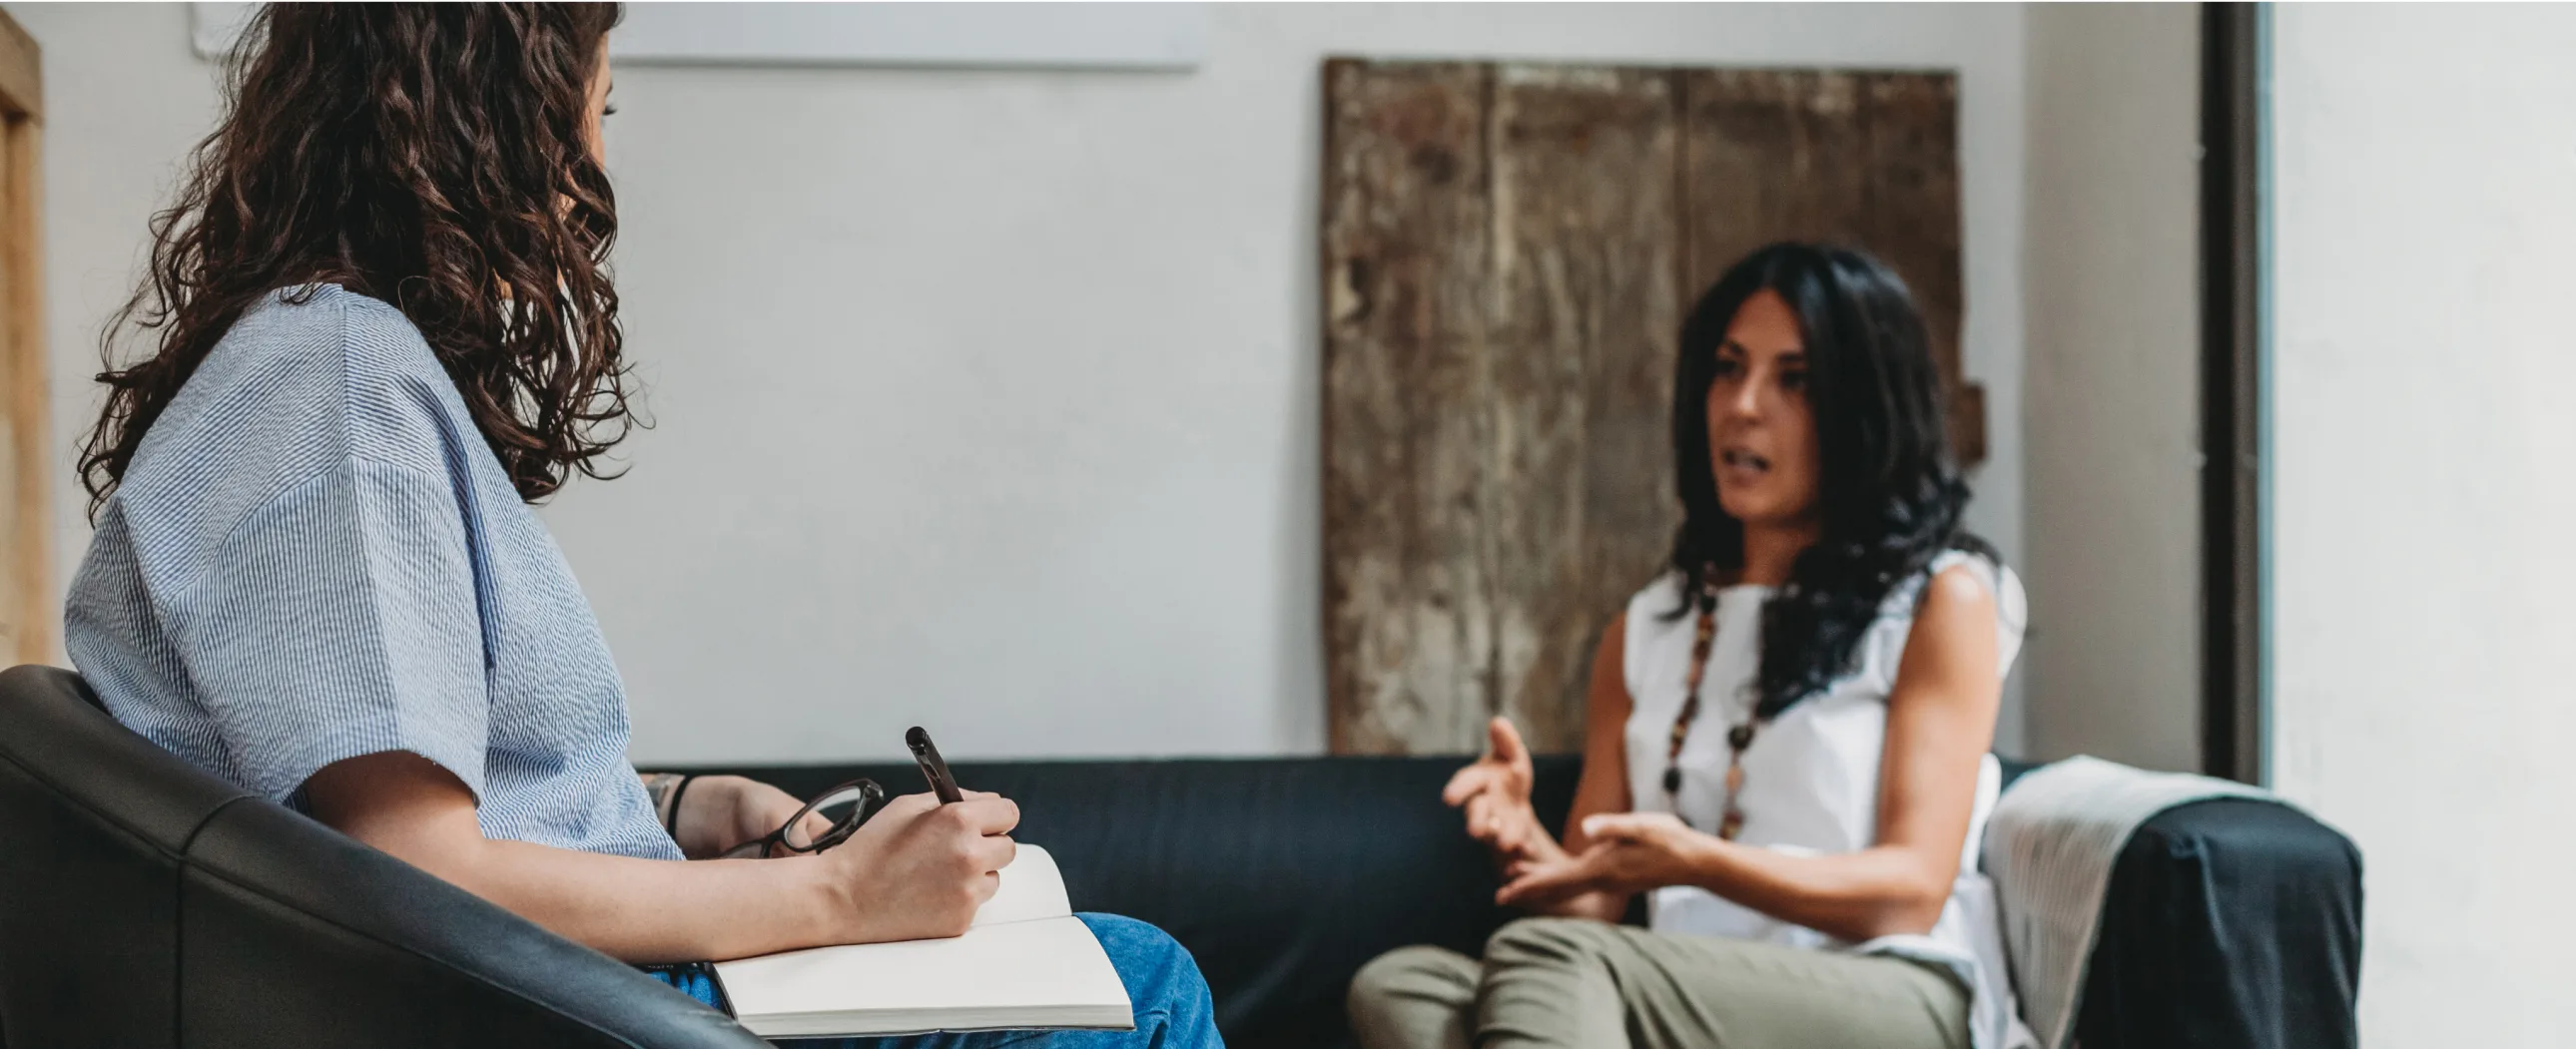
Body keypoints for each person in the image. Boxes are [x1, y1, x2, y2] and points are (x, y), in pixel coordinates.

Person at [61, 5, 1217, 1047]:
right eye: (592, 113)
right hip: (554, 1009)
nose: (592, 175)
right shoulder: (334, 381)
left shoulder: (308, 366)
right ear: (487, 121)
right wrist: (839, 898)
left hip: (547, 989)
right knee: (1143, 981)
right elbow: (414, 872)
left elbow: (425, 790)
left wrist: (683, 805)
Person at [1347, 244, 2033, 1049]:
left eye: (1793, 379)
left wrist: (1697, 861)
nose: (1742, 406)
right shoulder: (1650, 629)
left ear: (1864, 409)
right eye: (1727, 368)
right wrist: (1522, 838)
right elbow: (1588, 907)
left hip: (1897, 992)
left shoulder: (1940, 599)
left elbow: (1910, 889)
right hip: (1692, 995)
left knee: (1552, 960)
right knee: (1404, 984)